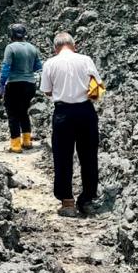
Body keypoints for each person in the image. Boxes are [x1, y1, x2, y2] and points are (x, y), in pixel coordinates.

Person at [40, 31, 103, 218]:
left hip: (63, 114)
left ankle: (67, 202)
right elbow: (98, 85)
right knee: (89, 156)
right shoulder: (85, 60)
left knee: (62, 157)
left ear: (55, 48)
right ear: (74, 46)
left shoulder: (50, 63)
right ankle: (87, 199)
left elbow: (47, 91)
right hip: (86, 112)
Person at [0, 23, 42, 153]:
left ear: (11, 35)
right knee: (23, 112)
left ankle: (15, 145)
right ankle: (27, 141)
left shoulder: (10, 48)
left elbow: (6, 68)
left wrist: (1, 86)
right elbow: (38, 67)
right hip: (30, 85)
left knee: (12, 114)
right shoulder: (32, 48)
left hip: (15, 84)